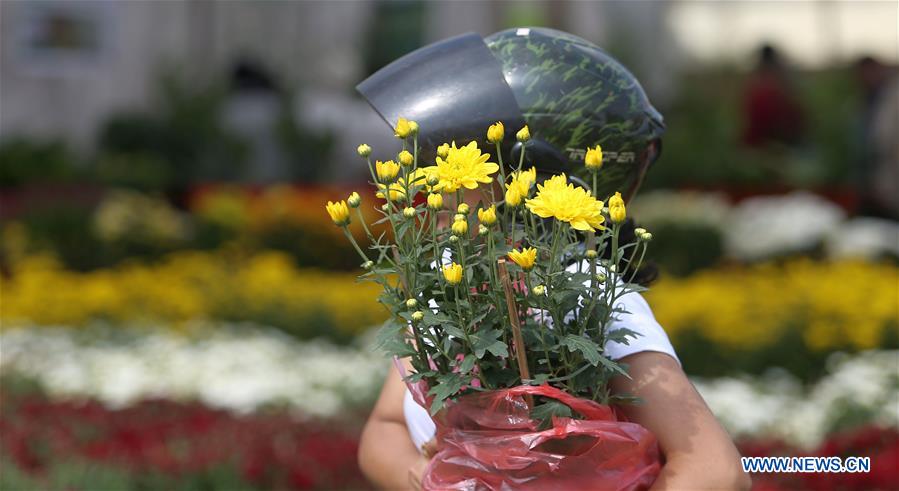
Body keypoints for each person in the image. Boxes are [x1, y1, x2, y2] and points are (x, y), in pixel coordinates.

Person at [356, 28, 750, 490]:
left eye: (454, 161)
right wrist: (436, 478)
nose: (430, 183)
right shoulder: (447, 288)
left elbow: (714, 469)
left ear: (533, 174)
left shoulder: (587, 295)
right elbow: (384, 429)